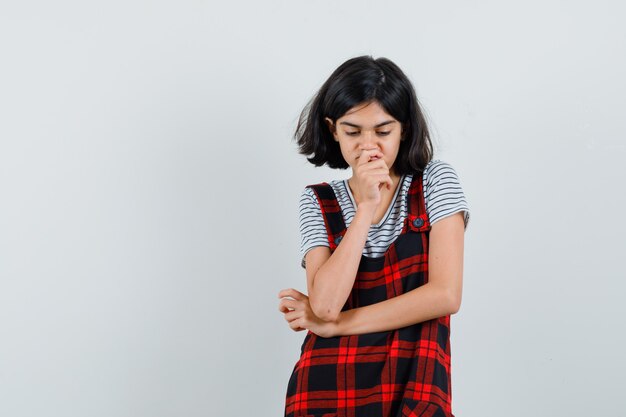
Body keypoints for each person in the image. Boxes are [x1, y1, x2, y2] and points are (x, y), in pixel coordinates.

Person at [278, 55, 470, 417]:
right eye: (353, 131)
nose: (369, 146)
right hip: (327, 386)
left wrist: (335, 327)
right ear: (332, 129)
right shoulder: (318, 201)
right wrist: (365, 209)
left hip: (413, 385)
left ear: (405, 128)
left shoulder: (435, 182)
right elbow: (326, 305)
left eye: (383, 131)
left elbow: (445, 295)